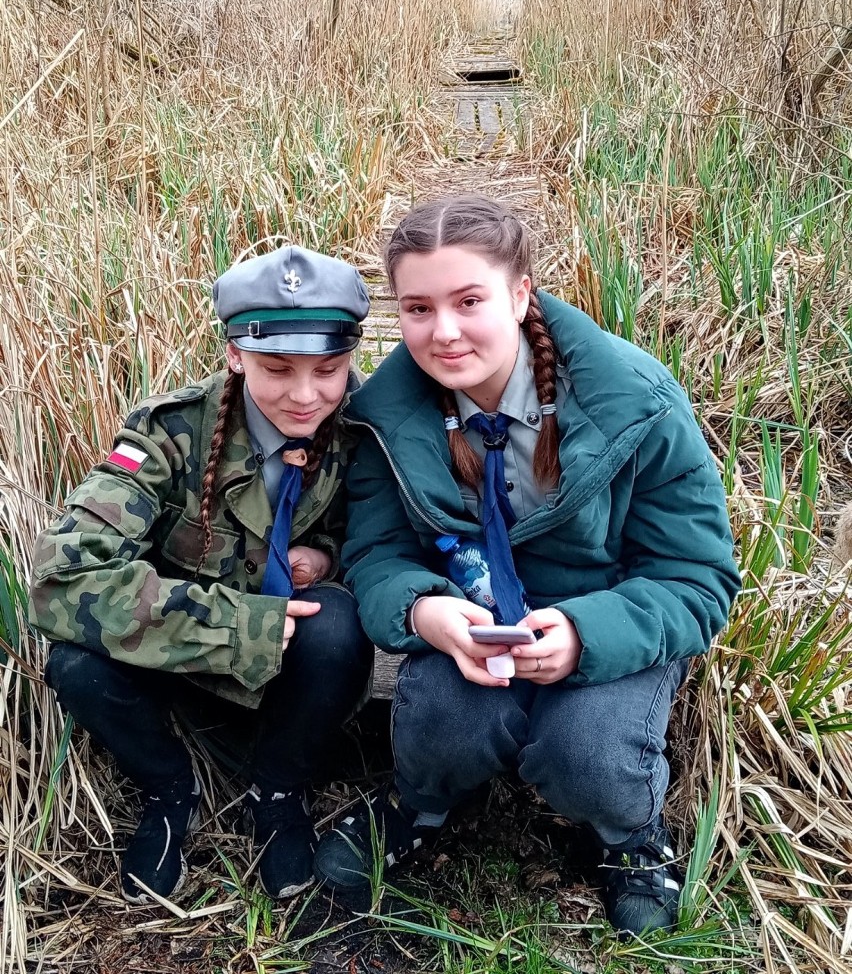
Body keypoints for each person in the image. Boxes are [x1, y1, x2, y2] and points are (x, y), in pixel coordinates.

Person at [313, 196, 741, 936]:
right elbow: (377, 555)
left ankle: (626, 837)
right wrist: (425, 613)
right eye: (417, 308)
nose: (443, 332)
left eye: (469, 300)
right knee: (442, 718)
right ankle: (425, 803)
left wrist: (581, 632)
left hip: (612, 620)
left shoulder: (637, 403)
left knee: (588, 750)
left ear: (520, 295)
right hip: (473, 625)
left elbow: (698, 580)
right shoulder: (385, 419)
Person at [29, 246, 375, 904]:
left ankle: (278, 789)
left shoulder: (365, 429)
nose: (306, 396)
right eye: (277, 369)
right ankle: (168, 787)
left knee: (337, 629)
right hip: (181, 659)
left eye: (329, 369)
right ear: (235, 354)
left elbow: (390, 542)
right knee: (74, 664)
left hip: (296, 677)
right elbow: (62, 576)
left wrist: (327, 557)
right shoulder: (169, 435)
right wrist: (236, 627)